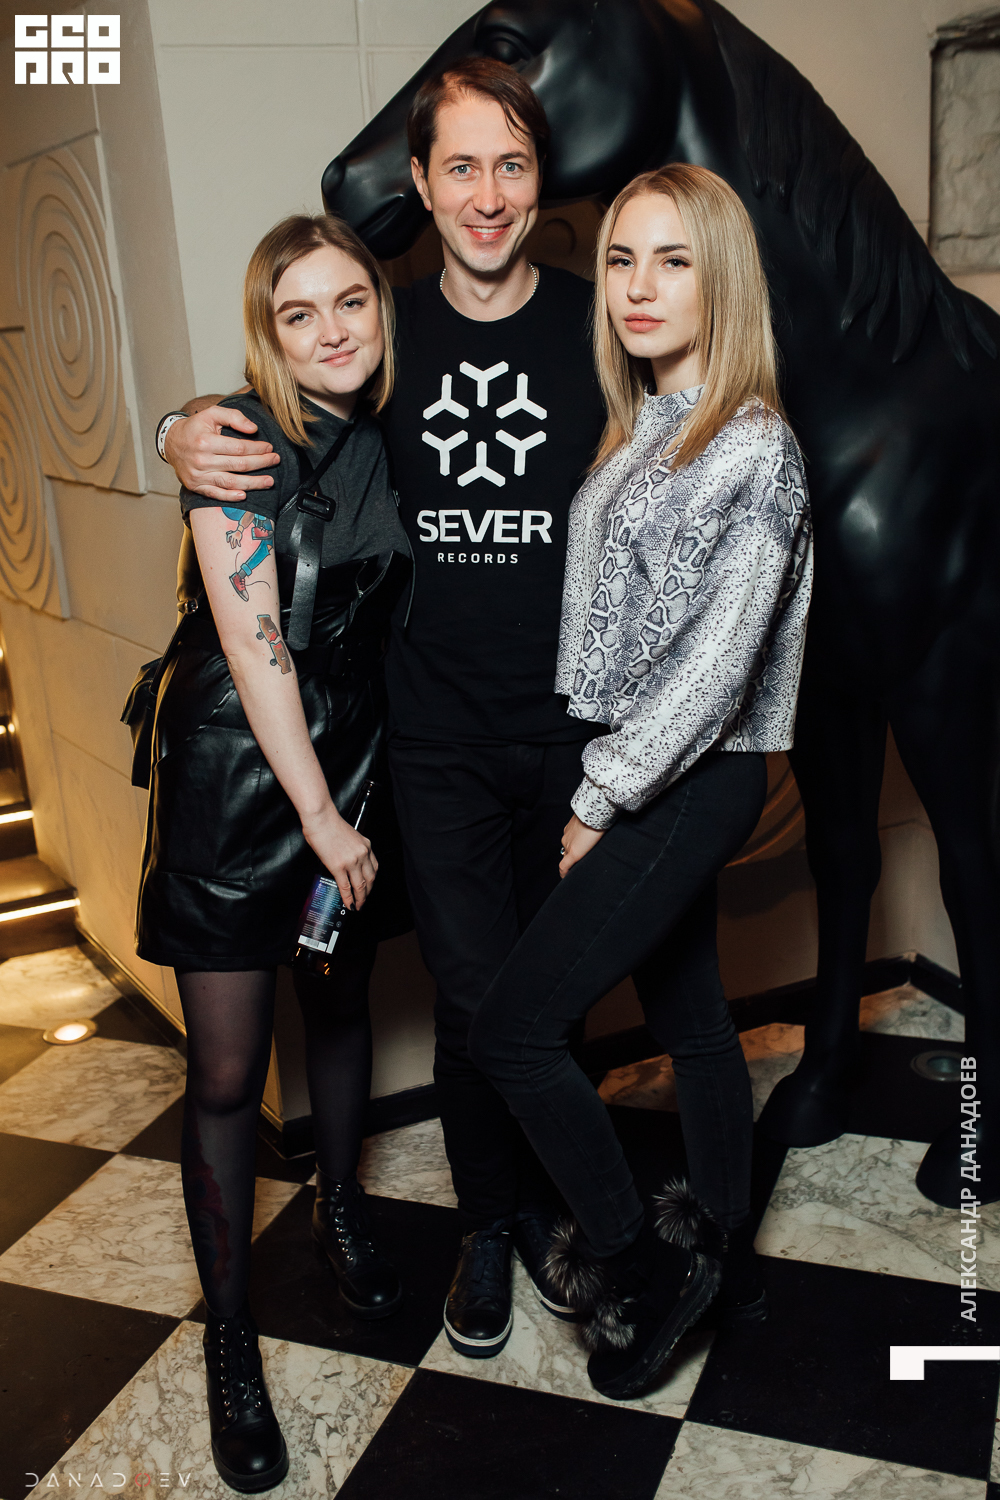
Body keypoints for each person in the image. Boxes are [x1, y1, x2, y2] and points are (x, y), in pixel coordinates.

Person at [156, 60, 608, 1359]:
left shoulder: (590, 323)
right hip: (418, 749)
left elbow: (710, 402)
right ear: (419, 183)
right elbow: (265, 408)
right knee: (466, 1003)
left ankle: (540, 1214)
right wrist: (181, 425)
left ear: (543, 178)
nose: (487, 194)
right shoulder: (387, 332)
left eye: (511, 164)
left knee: (542, 998)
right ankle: (486, 1227)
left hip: (558, 739)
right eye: (459, 166)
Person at [468, 164, 814, 1402]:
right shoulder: (644, 427)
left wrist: (595, 796)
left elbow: (717, 668)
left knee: (513, 1031)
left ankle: (642, 1267)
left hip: (684, 778)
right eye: (620, 258)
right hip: (639, 766)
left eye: (672, 260)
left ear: (721, 278)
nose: (637, 286)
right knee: (694, 1021)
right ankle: (726, 1261)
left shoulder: (754, 446)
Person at [137, 213, 412, 1491]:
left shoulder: (404, 431)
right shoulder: (233, 439)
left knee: (339, 1000)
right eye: (299, 313)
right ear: (269, 332)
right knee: (229, 1067)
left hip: (351, 754)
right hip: (237, 770)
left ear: (381, 304)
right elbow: (257, 651)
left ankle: (340, 1211)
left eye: (350, 300)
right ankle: (230, 1338)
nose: (332, 331)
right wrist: (317, 815)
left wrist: (350, 800)